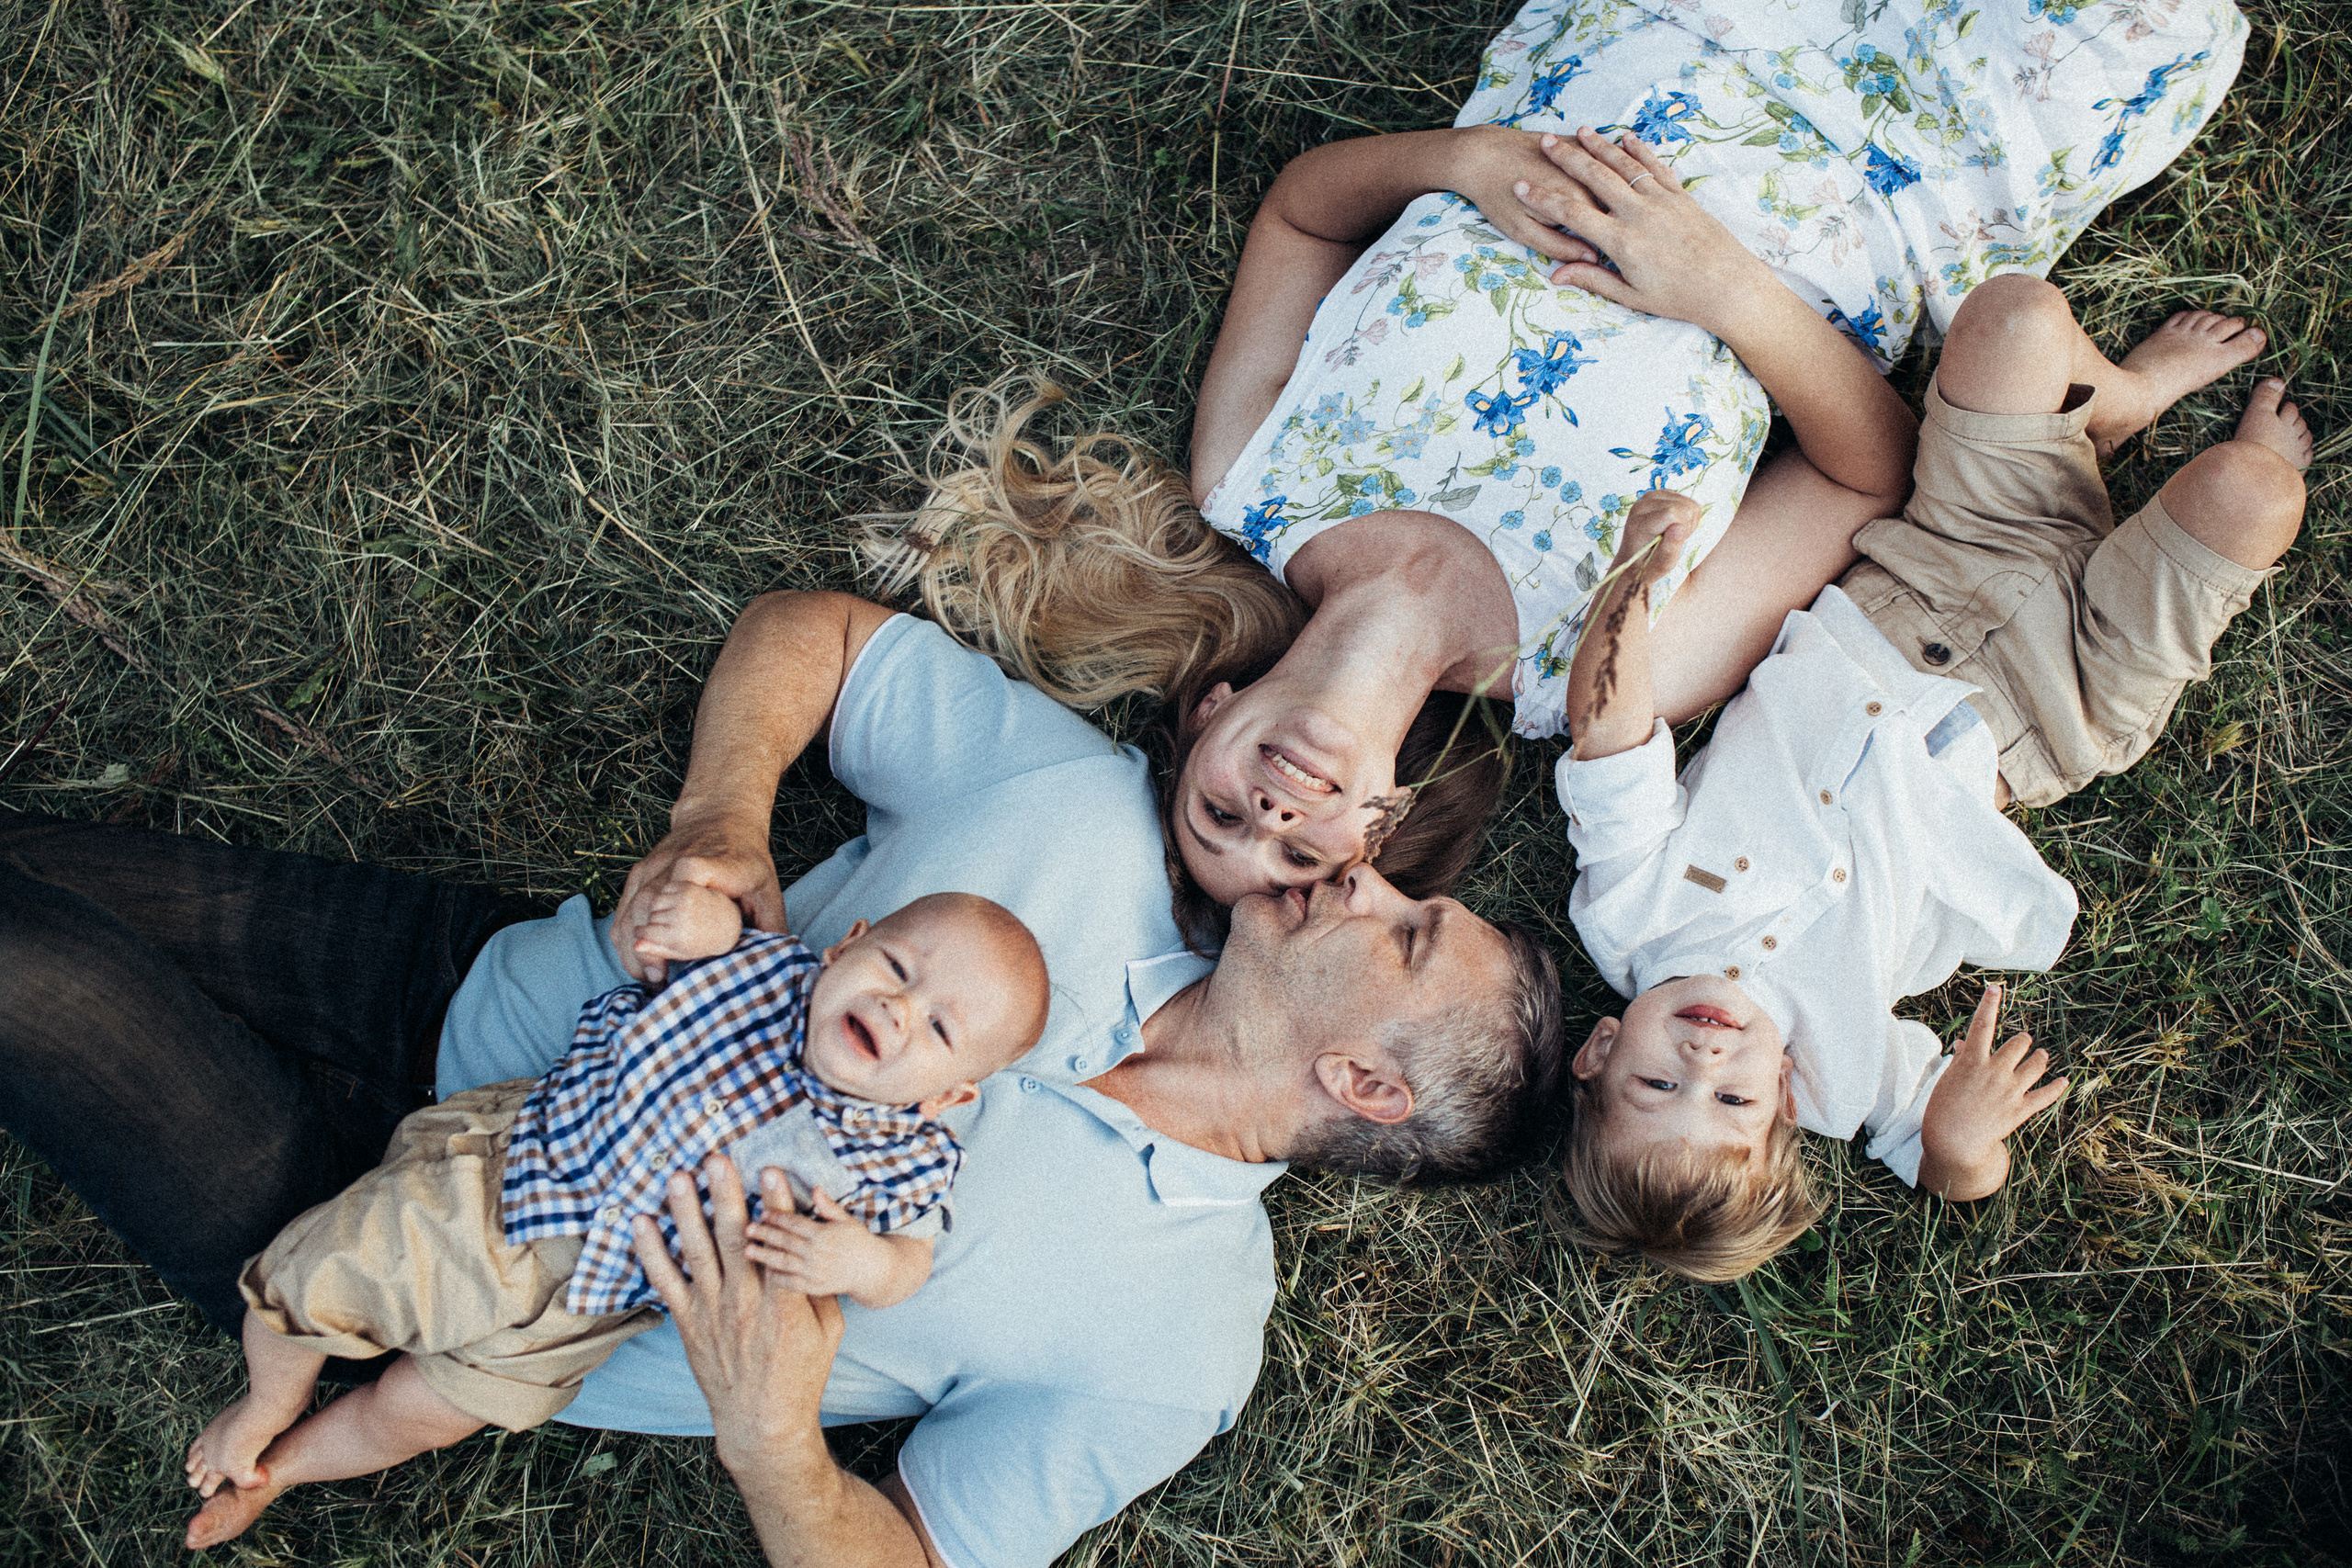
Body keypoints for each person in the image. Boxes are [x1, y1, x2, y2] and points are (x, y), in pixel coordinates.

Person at [0, 586, 1564, 1568]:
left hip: (409, 1271)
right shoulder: (1082, 819)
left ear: (1362, 1078)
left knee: (28, 973)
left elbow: (912, 1554)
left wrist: (771, 1438)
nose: (1361, 871)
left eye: (1406, 925)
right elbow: (814, 634)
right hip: (443, 979)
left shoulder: (1177, 1342)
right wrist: (723, 819)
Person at [884, 0, 2250, 919]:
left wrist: (1472, 162)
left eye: (1217, 813)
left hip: (1658, 32)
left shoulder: (1251, 481)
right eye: (1296, 849)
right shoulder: (1591, 675)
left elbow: (1304, 216)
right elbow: (1868, 477)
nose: (1267, 814)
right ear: (1382, 820)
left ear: (1205, 716)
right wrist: (1727, 291)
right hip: (1915, 165)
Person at [1551, 271, 2312, 1282]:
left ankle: (2115, 405)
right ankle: (2102, 456)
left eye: (1654, 1082)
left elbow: (1609, 744)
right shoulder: (1848, 1074)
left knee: (2014, 318)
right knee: (2251, 491)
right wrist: (1958, 1137)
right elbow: (1949, 1171)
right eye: (1732, 1101)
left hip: (1926, 571)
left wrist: (1630, 586)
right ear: (1782, 1101)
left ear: (1599, 1052)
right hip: (2055, 706)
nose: (1704, 1064)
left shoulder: (1630, 914)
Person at [179, 887, 1049, 1549]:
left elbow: (907, 1265)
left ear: (948, 1094)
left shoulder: (902, 1155)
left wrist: (857, 1260)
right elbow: (697, 930)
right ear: (844, 948)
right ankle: (267, 1401)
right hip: (516, 1188)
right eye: (897, 969)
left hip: (585, 1312)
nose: (899, 1008)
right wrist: (699, 917)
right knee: (322, 1280)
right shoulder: (761, 976)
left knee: (427, 1408)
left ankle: (278, 1468)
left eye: (938, 1026)